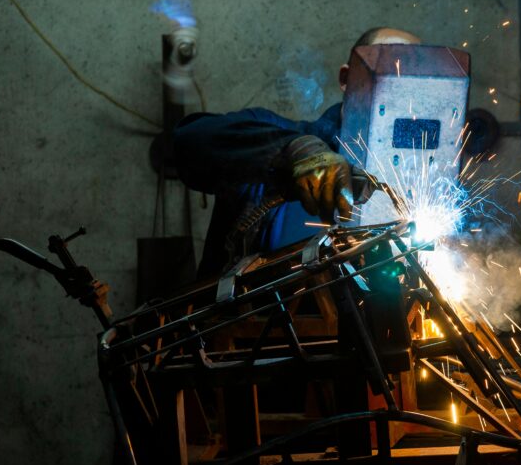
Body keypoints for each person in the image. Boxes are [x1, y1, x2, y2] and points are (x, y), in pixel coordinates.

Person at [174, 27, 421, 278]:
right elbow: (186, 142)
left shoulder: (428, 179)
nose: (400, 91)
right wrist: (290, 152)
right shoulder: (276, 135)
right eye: (389, 71)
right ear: (347, 79)